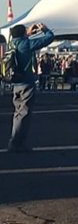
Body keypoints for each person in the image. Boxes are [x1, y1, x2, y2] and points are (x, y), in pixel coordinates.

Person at [6, 23, 56, 152]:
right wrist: (44, 29)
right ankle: (17, 143)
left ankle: (14, 140)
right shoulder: (26, 44)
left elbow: (20, 40)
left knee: (18, 113)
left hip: (16, 83)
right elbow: (49, 38)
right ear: (23, 34)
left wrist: (27, 34)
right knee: (24, 114)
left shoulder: (12, 45)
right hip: (26, 82)